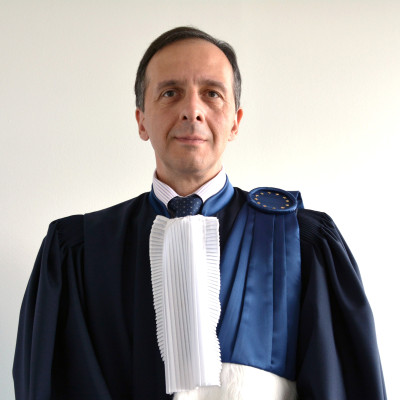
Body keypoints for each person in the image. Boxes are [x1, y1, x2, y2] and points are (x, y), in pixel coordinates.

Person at [13, 26, 386, 400]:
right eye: (170, 93)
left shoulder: (302, 243)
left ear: (235, 121)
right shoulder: (79, 251)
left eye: (212, 94)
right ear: (141, 120)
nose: (192, 111)